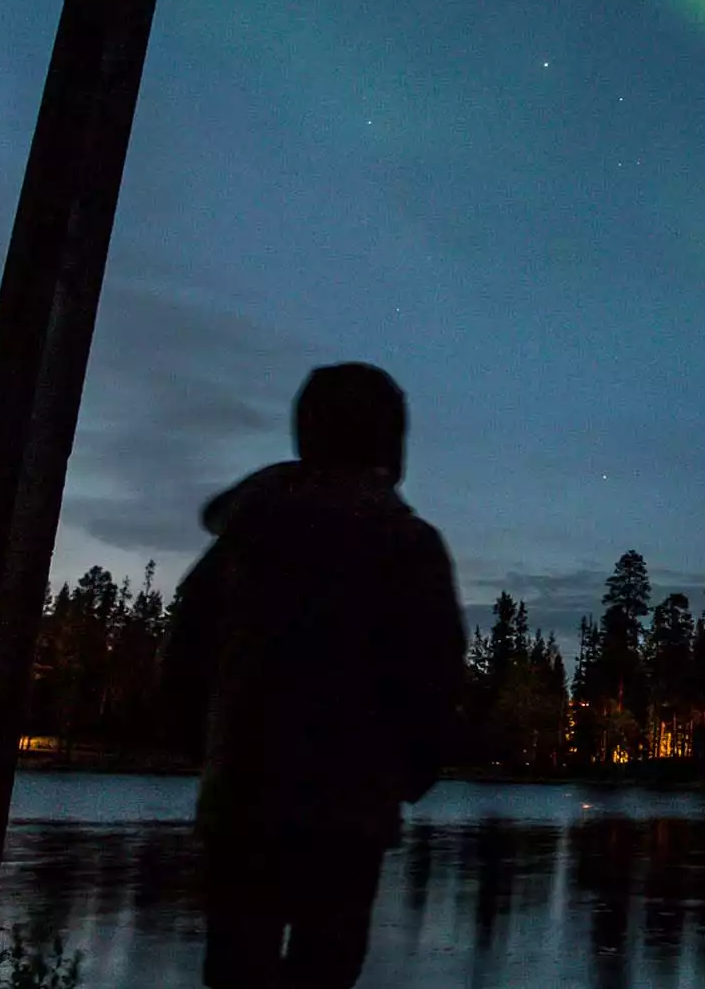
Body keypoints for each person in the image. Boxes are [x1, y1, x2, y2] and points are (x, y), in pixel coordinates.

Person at [162, 362, 467, 989]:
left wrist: (210, 755)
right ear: (391, 440)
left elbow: (185, 656)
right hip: (348, 810)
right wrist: (410, 773)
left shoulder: (247, 536)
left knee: (236, 966)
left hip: (243, 802)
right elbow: (436, 677)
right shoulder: (408, 545)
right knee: (322, 970)